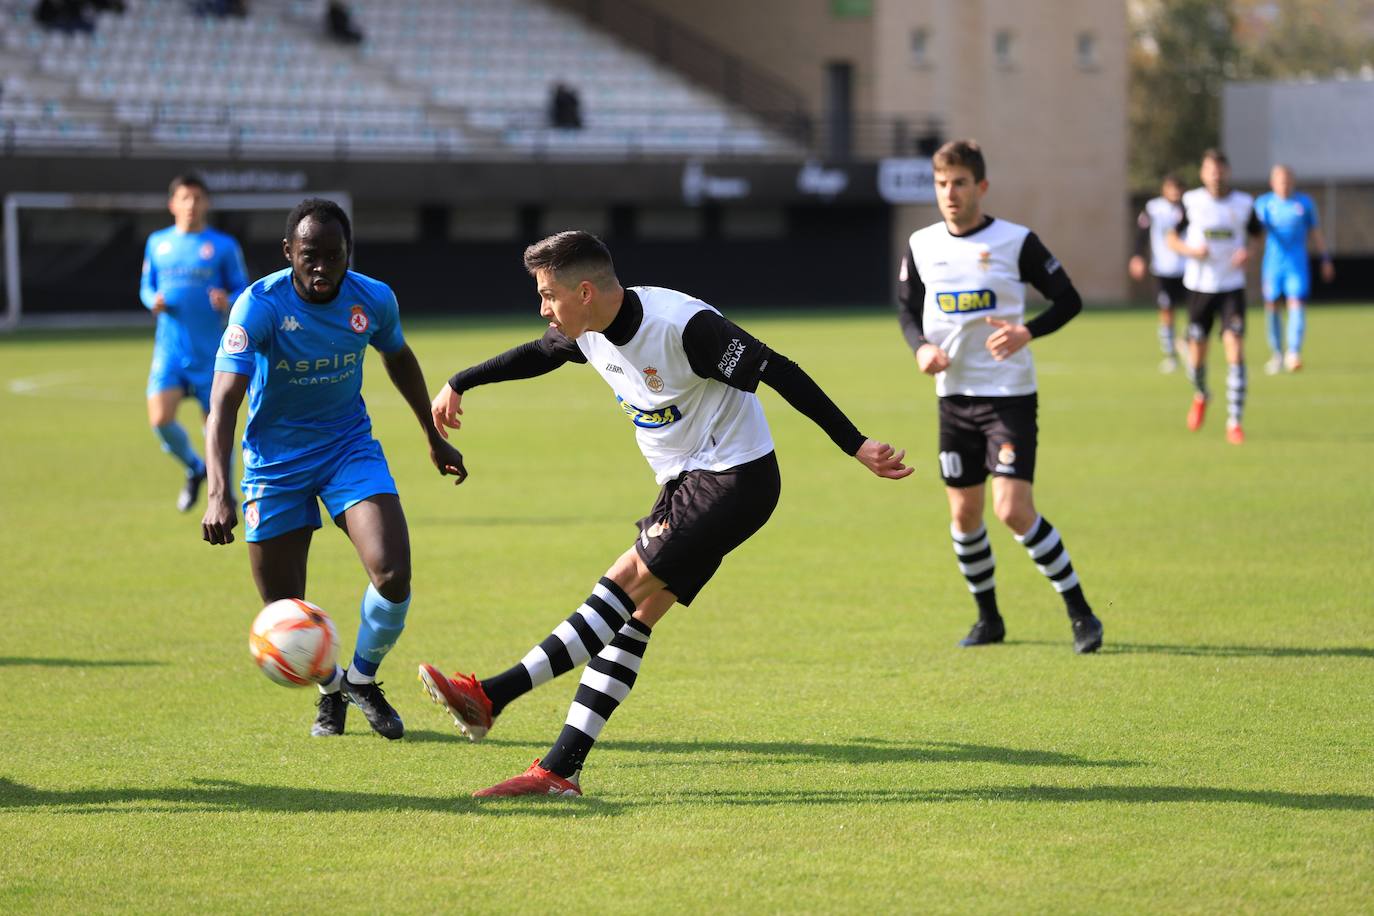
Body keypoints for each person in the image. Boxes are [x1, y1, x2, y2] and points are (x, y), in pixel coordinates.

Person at [418, 230, 911, 797]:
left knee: (626, 581)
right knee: (638, 614)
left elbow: (780, 370)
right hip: (686, 481)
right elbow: (535, 356)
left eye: (548, 294)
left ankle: (492, 695)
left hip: (735, 479)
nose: (542, 307)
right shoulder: (584, 330)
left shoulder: (684, 327)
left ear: (584, 292)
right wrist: (462, 381)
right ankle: (560, 770)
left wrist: (856, 445)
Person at [200, 198, 468, 740]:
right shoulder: (259, 307)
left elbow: (398, 356)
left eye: (333, 255)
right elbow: (223, 403)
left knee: (393, 574)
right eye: (308, 256)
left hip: (349, 449)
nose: (321, 267)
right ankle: (331, 690)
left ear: (349, 253)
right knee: (284, 612)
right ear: (287, 254)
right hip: (274, 465)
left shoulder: (373, 299)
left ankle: (363, 680)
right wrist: (218, 492)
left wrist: (432, 437)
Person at [896, 139, 1103, 654]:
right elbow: (906, 310)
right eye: (942, 184)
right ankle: (989, 619)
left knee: (1012, 509)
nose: (950, 193)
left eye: (960, 183)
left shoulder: (1016, 241)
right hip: (953, 399)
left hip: (1008, 396)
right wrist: (920, 349)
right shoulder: (921, 244)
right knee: (964, 515)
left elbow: (1069, 300)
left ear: (981, 187)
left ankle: (1081, 612)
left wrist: (1026, 333)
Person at [140, 173, 249, 512]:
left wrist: (227, 299)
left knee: (216, 430)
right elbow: (146, 286)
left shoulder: (223, 246)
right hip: (170, 350)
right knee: (159, 419)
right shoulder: (157, 242)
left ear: (207, 203)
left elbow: (244, 290)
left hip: (211, 353)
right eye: (185, 198)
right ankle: (194, 467)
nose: (191, 204)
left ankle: (225, 495)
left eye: (197, 198)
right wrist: (151, 301)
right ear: (173, 204)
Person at [1167, 149, 1263, 445]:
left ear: (1228, 172)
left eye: (1220, 170)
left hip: (1231, 287)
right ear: (1203, 173)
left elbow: (1258, 235)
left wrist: (1249, 252)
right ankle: (1201, 394)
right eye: (1211, 170)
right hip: (1199, 288)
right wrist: (1190, 251)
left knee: (1235, 350)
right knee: (1196, 359)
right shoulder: (1191, 202)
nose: (1216, 175)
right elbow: (1171, 238)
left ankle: (1234, 422)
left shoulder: (1244, 203)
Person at [1254, 164, 1335, 375]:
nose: (1285, 185)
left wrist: (1325, 259)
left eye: (1288, 180)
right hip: (1272, 265)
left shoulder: (1304, 203)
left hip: (1296, 264)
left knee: (1296, 303)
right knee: (1272, 305)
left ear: (1293, 181)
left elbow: (1316, 232)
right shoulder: (1264, 204)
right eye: (1281, 181)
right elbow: (1255, 234)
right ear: (1273, 182)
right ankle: (1277, 354)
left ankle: (1293, 352)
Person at [1128, 174, 1188, 373]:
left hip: (1189, 268)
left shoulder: (1189, 207)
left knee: (1194, 311)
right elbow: (1141, 235)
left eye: (1178, 188)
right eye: (1171, 188)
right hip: (1163, 268)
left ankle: (1187, 342)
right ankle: (1170, 354)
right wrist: (1137, 256)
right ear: (1164, 189)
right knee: (1166, 310)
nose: (1175, 192)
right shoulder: (1154, 208)